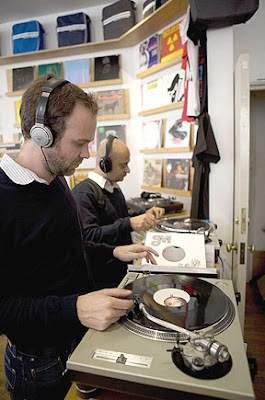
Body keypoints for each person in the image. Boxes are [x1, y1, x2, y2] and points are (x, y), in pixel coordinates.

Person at [0, 75, 158, 400]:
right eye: (79, 143)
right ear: (41, 135)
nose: (88, 154)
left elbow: (68, 245)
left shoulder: (56, 178)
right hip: (38, 363)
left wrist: (115, 252)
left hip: (76, 340)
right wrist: (75, 309)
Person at [72, 136, 165, 287]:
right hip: (102, 280)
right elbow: (88, 236)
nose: (128, 170)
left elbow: (119, 219)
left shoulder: (113, 187)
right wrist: (129, 223)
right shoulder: (83, 194)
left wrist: (144, 216)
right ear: (105, 164)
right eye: (123, 165)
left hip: (120, 271)